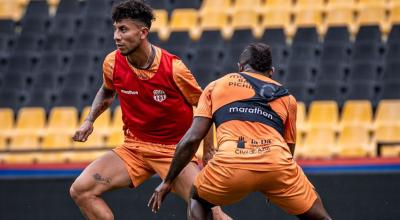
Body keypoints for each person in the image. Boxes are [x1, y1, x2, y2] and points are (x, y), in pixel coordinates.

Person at [69, 1, 230, 219]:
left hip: (174, 152)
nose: (116, 36)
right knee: (80, 190)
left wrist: (209, 149)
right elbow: (107, 91)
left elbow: (205, 105)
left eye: (123, 29)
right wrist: (89, 120)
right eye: (115, 29)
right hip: (134, 148)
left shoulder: (174, 68)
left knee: (210, 211)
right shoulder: (112, 63)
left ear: (143, 32)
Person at [149, 43, 332, 220]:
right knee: (320, 216)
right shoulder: (287, 98)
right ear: (271, 72)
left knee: (198, 199)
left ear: (240, 68)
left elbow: (192, 138)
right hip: (276, 164)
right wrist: (277, 185)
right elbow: (288, 148)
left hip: (230, 163)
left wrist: (168, 181)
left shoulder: (216, 86)